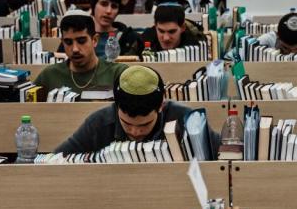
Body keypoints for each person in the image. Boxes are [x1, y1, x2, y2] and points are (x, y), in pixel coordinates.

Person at [55, 64, 219, 154]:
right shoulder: (98, 123)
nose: (134, 132)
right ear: (116, 105)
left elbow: (223, 155)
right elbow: (57, 160)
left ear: (161, 105)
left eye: (144, 125)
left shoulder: (187, 120)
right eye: (126, 123)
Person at [33, 10, 126, 99]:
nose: (75, 49)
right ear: (62, 42)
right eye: (68, 42)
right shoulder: (49, 75)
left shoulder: (117, 73)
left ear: (95, 40)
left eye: (81, 41)